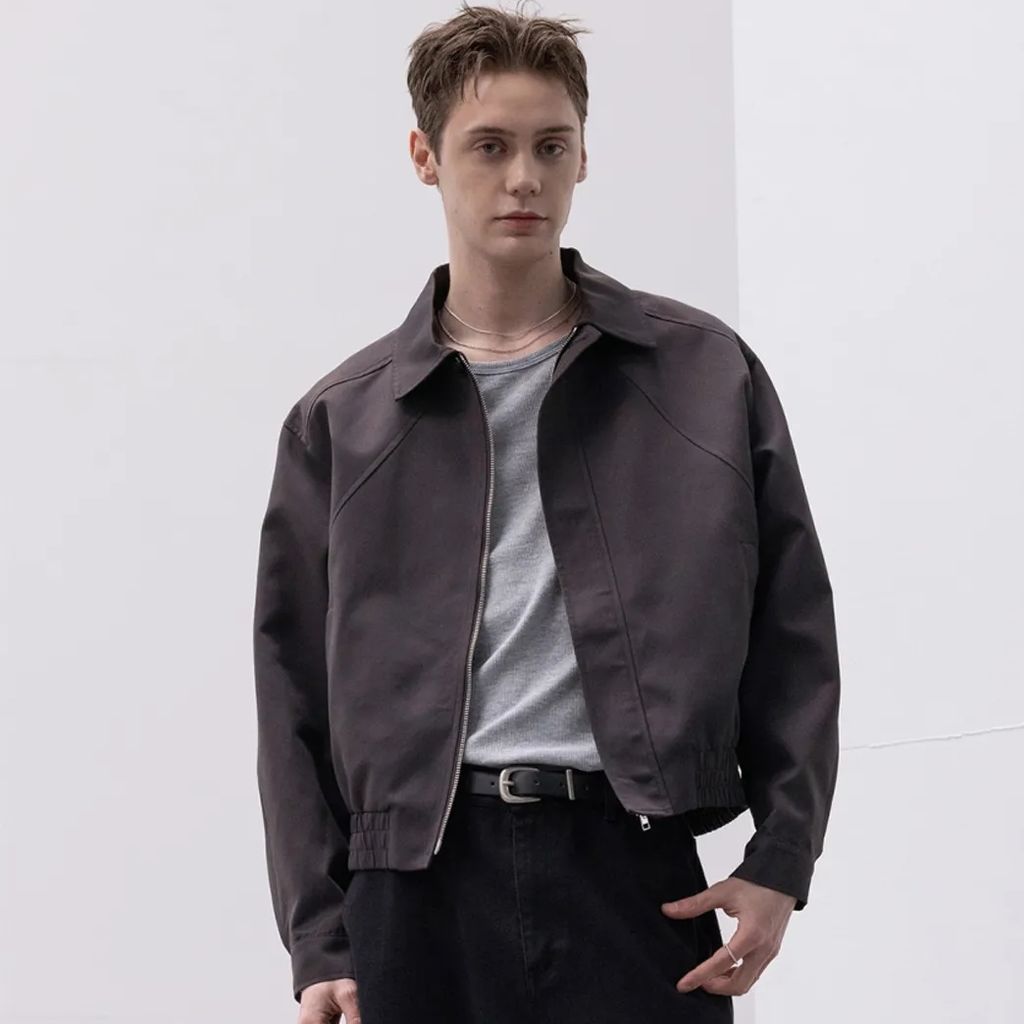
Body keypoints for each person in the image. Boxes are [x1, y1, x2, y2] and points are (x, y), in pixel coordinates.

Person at [252, 3, 841, 1021]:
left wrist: (780, 857)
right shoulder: (341, 422)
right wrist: (319, 937)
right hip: (416, 894)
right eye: (489, 146)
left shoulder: (703, 376)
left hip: (632, 869)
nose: (523, 178)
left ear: (582, 157)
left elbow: (793, 627)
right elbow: (291, 695)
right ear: (426, 157)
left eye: (550, 146)